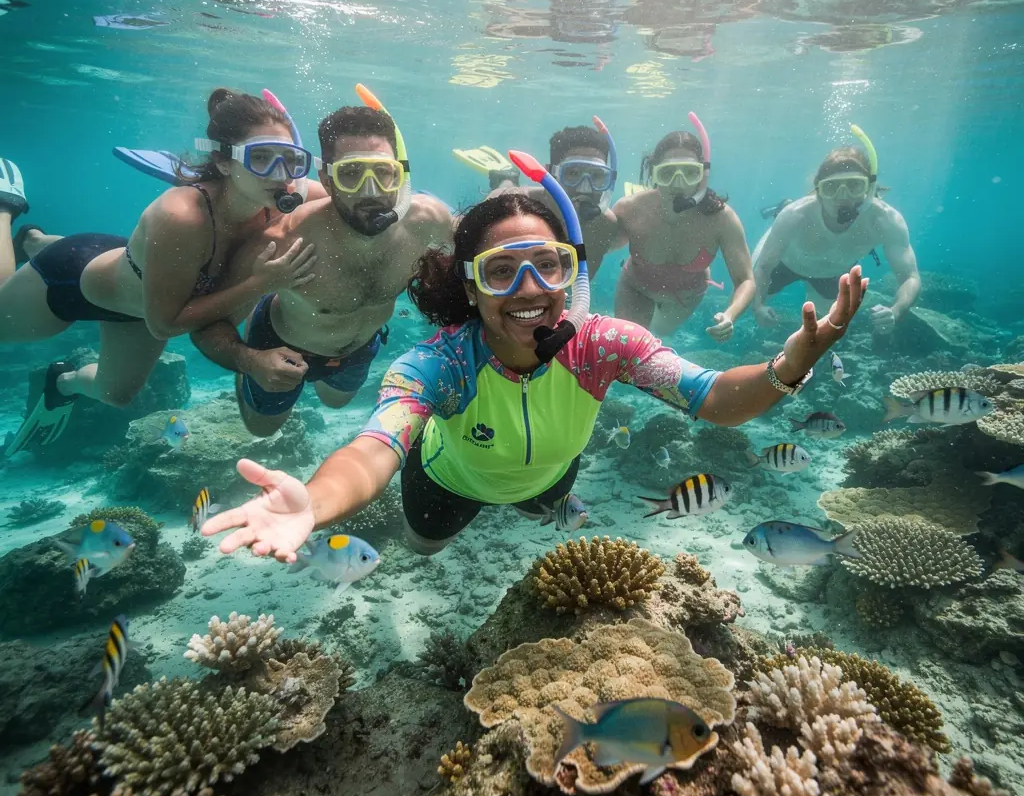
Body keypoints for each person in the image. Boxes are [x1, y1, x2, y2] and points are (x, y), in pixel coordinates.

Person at [200, 152, 866, 563]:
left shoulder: (604, 345)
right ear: (467, 286)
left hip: (548, 480)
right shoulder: (439, 364)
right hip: (446, 484)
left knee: (538, 504)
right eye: (500, 273)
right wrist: (313, 504)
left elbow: (716, 399)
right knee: (426, 548)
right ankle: (429, 542)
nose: (527, 292)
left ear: (571, 275)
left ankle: (527, 500)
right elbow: (376, 447)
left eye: (546, 267)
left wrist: (789, 367)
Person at [0, 89, 317, 455]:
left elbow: (348, 202)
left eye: (291, 160)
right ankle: (8, 208)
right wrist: (259, 284)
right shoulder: (182, 215)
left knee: (116, 394)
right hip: (72, 280)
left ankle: (63, 380)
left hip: (141, 292)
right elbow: (165, 325)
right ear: (225, 161)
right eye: (261, 158)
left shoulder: (281, 194)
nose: (281, 175)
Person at [190, 88, 453, 437]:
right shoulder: (282, 241)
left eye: (383, 173)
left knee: (336, 403)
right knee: (262, 430)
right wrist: (250, 362)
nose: (370, 190)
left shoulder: (429, 222)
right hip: (281, 345)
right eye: (351, 173)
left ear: (400, 175)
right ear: (326, 180)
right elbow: (205, 325)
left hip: (362, 346)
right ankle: (262, 316)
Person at [751, 125, 919, 335]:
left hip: (831, 274)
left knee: (824, 322)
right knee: (747, 288)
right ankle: (782, 205)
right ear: (818, 190)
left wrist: (896, 310)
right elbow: (764, 267)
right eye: (831, 187)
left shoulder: (885, 219)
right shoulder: (795, 216)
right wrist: (758, 307)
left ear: (869, 189)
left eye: (854, 186)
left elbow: (910, 276)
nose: (843, 196)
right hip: (786, 263)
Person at [613, 113, 754, 341]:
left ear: (703, 175)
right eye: (667, 173)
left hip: (684, 299)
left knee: (657, 335)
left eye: (689, 173)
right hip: (634, 289)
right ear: (654, 173)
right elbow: (592, 250)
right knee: (628, 345)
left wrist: (730, 315)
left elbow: (745, 279)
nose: (678, 184)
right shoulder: (630, 209)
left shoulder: (722, 219)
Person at [454, 118, 626, 278]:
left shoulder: (606, 225)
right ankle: (505, 178)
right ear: (550, 173)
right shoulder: (506, 205)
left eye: (597, 176)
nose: (585, 188)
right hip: (510, 195)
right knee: (506, 191)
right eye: (573, 173)